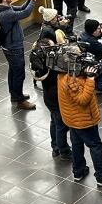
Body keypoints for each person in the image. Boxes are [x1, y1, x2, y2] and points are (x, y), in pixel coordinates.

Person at [57, 55, 102, 187]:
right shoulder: (71, 80)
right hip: (84, 120)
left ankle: (79, 172)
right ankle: (101, 176)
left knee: (76, 145)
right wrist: (90, 79)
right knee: (95, 146)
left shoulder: (61, 74)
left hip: (72, 119)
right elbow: (83, 100)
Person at [0, 0, 38, 110]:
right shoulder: (6, 13)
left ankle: (15, 95)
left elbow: (22, 8)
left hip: (9, 46)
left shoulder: (2, 7)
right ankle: (20, 101)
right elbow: (25, 13)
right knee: (19, 73)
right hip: (13, 47)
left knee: (13, 71)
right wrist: (33, 0)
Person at [33, 31, 72, 161]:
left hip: (48, 97)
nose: (55, 47)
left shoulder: (40, 63)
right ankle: (64, 151)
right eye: (52, 47)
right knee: (60, 125)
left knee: (54, 122)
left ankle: (55, 147)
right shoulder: (51, 65)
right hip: (56, 98)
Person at [79, 19, 102, 95]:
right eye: (98, 28)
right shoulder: (91, 41)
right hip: (89, 67)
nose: (100, 29)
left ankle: (96, 80)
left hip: (84, 63)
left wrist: (100, 31)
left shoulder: (84, 34)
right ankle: (100, 87)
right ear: (94, 31)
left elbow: (94, 36)